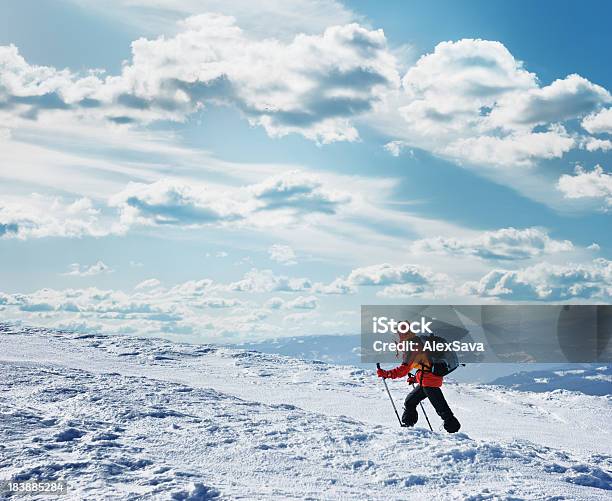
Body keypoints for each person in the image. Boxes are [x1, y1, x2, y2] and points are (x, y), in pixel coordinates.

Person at [376, 322, 461, 433]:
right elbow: (425, 365)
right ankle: (408, 426)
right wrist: (415, 379)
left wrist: (387, 374)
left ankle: (454, 432)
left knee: (443, 410)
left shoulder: (413, 345)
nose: (395, 336)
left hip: (430, 383)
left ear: (403, 334)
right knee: (410, 402)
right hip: (427, 380)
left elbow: (404, 369)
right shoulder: (416, 342)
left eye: (397, 334)